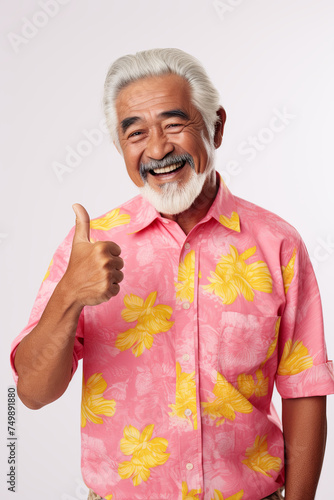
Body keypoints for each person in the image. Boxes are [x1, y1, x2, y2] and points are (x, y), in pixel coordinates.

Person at [10, 48, 334, 500]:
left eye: (174, 124)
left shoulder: (278, 244)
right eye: (136, 132)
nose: (158, 149)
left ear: (216, 126)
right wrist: (69, 294)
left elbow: (304, 390)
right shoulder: (88, 247)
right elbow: (31, 393)